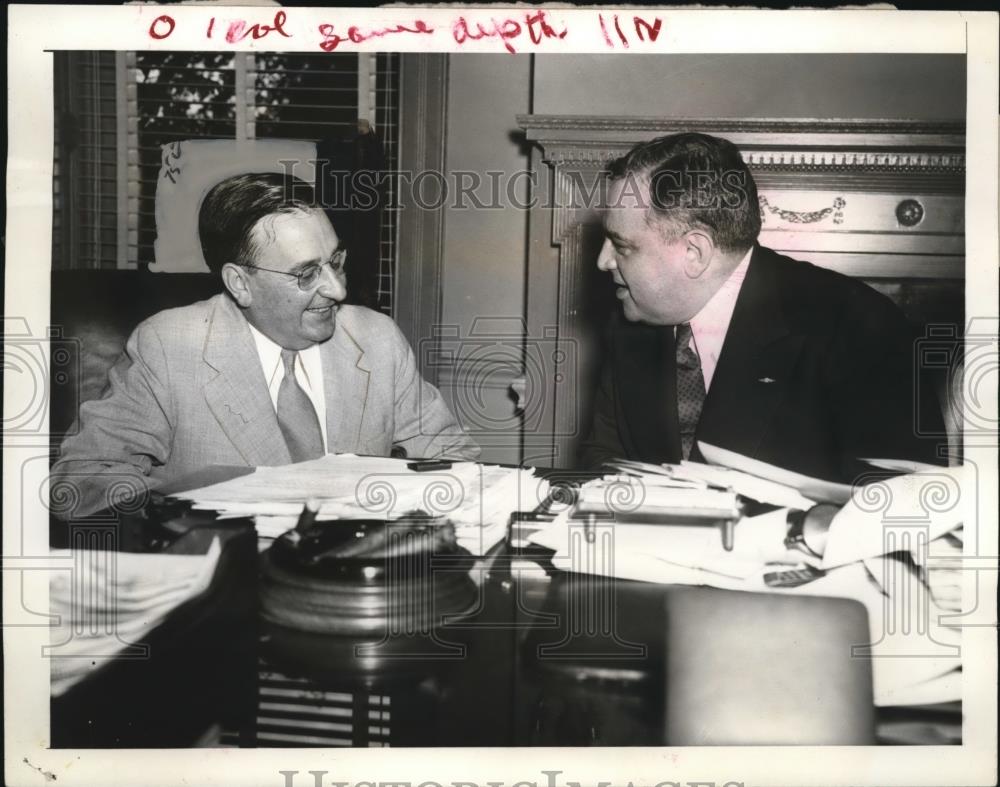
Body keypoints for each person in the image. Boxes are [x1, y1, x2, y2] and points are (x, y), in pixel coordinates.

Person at [52, 172, 479, 518]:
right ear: (240, 283)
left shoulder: (377, 339)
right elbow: (80, 481)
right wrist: (194, 514)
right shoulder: (168, 346)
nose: (336, 290)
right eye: (306, 273)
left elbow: (452, 457)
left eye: (336, 262)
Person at [579, 132, 946, 483]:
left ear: (695, 253)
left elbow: (901, 500)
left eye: (622, 246)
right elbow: (605, 462)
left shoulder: (861, 330)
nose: (602, 261)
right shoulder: (631, 326)